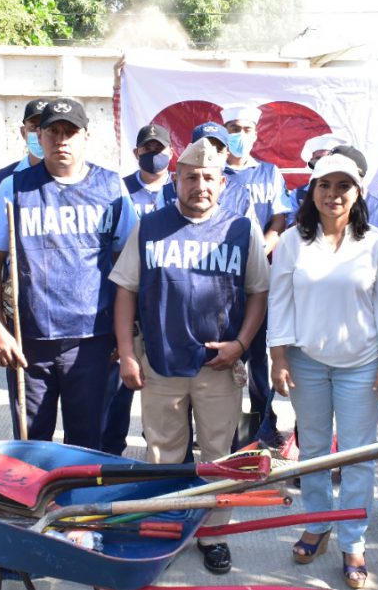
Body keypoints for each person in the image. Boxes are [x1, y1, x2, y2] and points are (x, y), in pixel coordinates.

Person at [110, 137, 269, 574]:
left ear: (222, 183)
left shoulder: (242, 229)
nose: (200, 184)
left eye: (208, 178)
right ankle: (165, 530)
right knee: (163, 454)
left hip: (218, 366)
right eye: (190, 177)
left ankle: (213, 535)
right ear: (176, 180)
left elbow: (259, 292)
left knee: (219, 456)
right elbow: (125, 289)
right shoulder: (151, 226)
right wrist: (127, 353)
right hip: (160, 362)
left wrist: (241, 343)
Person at [269, 152, 378, 589]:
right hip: (306, 362)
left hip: (361, 365)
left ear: (357, 191)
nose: (333, 194)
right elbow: (280, 300)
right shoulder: (293, 240)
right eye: (325, 185)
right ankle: (319, 523)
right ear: (313, 190)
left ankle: (353, 540)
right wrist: (279, 356)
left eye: (343, 186)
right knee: (314, 452)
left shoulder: (376, 241)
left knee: (359, 454)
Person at [0, 97, 137, 451]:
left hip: (92, 339)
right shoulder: (15, 188)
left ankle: (82, 508)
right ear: (39, 136)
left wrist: (125, 336)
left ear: (86, 137)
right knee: (31, 445)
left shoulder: (112, 188)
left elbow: (128, 264)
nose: (61, 140)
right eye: (52, 132)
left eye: (70, 132)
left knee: (88, 445)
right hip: (29, 338)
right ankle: (36, 508)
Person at [221, 104, 292, 446]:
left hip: (261, 274)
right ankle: (226, 428)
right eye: (233, 128)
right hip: (222, 278)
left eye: (246, 129)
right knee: (226, 352)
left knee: (258, 356)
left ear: (255, 134)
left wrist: (265, 245)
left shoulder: (269, 172)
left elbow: (280, 217)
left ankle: (264, 423)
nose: (239, 136)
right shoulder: (214, 172)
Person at [103, 123, 175, 455]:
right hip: (129, 301)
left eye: (160, 150)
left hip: (166, 305)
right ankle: (111, 453)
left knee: (166, 397)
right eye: (147, 150)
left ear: (171, 154)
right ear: (136, 153)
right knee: (117, 390)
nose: (153, 155)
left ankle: (157, 453)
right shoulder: (120, 191)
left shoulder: (181, 190)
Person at [0, 97, 50, 218]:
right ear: (23, 132)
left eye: (46, 127)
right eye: (33, 127)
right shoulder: (3, 178)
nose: (39, 134)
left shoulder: (74, 177)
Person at [286, 134, 346, 225]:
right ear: (311, 162)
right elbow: (289, 225)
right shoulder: (298, 194)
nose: (322, 163)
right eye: (318, 159)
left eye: (327, 159)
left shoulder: (348, 191)